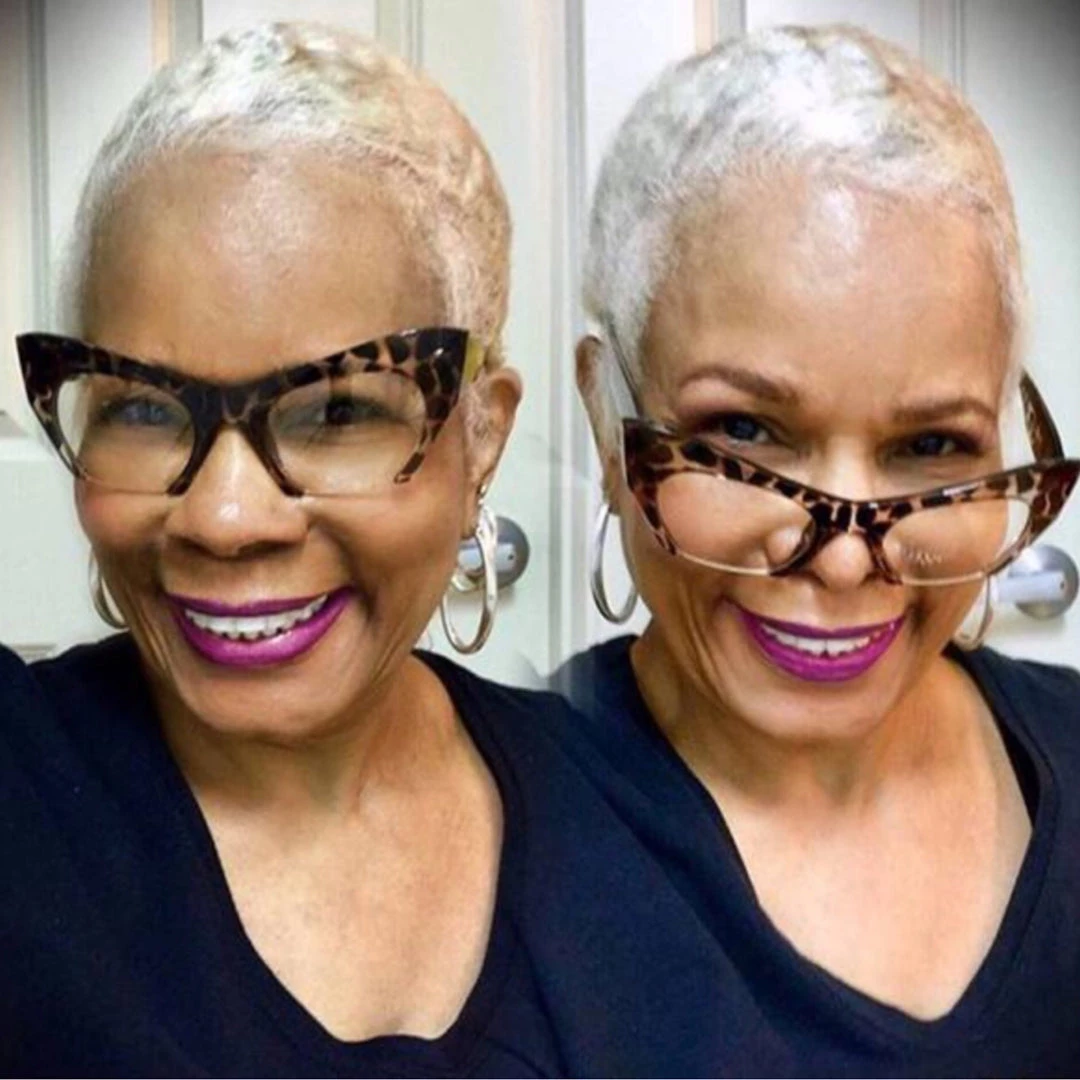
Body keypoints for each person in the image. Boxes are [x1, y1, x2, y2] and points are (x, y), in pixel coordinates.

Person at [3, 22, 664, 1077]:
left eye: (337, 412)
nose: (226, 518)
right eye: (144, 409)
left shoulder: (636, 816)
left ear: (482, 436)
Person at [558, 23, 1080, 1075]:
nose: (844, 562)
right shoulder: (502, 827)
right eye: (746, 433)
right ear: (610, 429)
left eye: (929, 446)